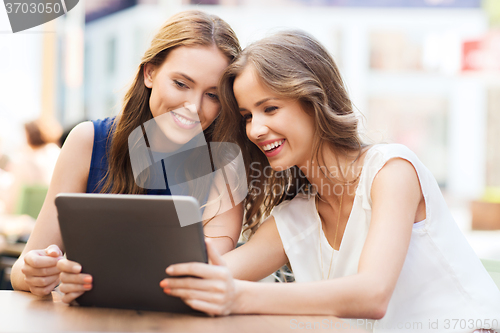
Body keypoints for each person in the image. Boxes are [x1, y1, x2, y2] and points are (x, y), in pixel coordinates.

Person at [159, 31, 500, 332]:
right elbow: (206, 275)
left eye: (270, 108)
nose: (255, 130)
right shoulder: (297, 217)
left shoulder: (391, 171)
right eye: (248, 116)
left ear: (314, 101)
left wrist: (238, 296)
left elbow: (372, 294)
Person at [10, 10, 244, 303]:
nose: (193, 106)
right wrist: (38, 273)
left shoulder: (224, 165)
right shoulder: (88, 141)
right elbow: (21, 270)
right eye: (181, 84)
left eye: (213, 95)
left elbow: (206, 276)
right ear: (150, 73)